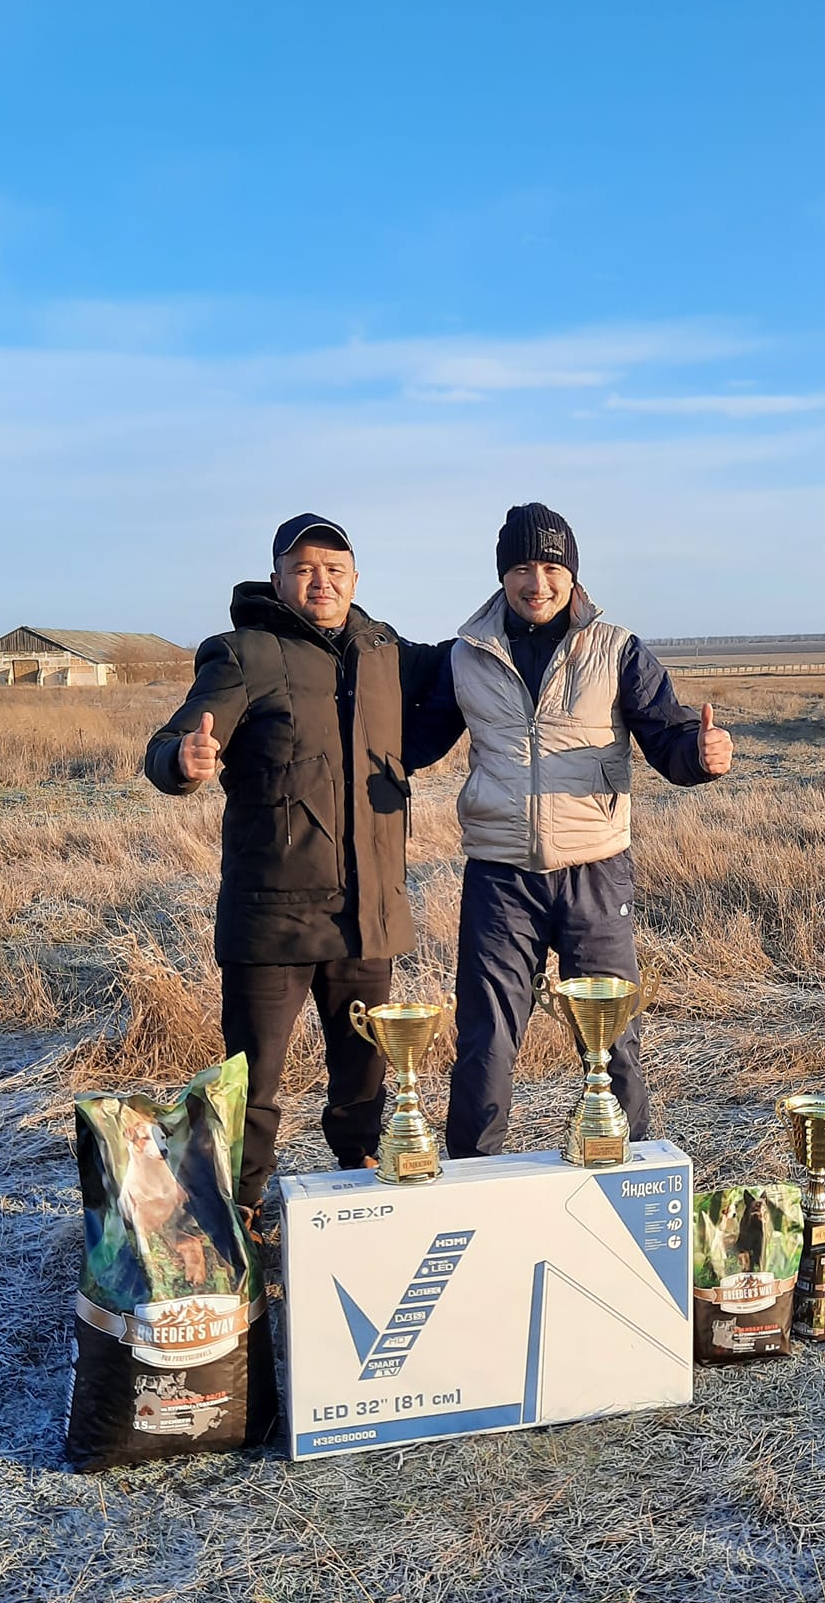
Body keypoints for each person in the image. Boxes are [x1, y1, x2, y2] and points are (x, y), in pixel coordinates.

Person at [145, 515, 459, 1220]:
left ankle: (367, 1195)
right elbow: (170, 741)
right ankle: (238, 1216)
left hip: (366, 914)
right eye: (305, 569)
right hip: (272, 917)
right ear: (279, 578)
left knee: (365, 1080)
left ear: (355, 579)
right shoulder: (243, 655)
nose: (321, 582)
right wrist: (182, 761)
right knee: (252, 1085)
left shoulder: (386, 652)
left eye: (335, 569)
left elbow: (462, 668)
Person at [440, 502, 733, 1159]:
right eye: (521, 567)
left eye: (551, 567)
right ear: (502, 574)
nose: (536, 583)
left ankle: (630, 1183)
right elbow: (410, 737)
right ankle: (470, 1185)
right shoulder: (465, 655)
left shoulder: (617, 649)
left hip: (596, 874)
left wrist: (699, 755)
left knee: (613, 1042)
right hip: (500, 876)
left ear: (572, 573)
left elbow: (667, 734)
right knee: (486, 1041)